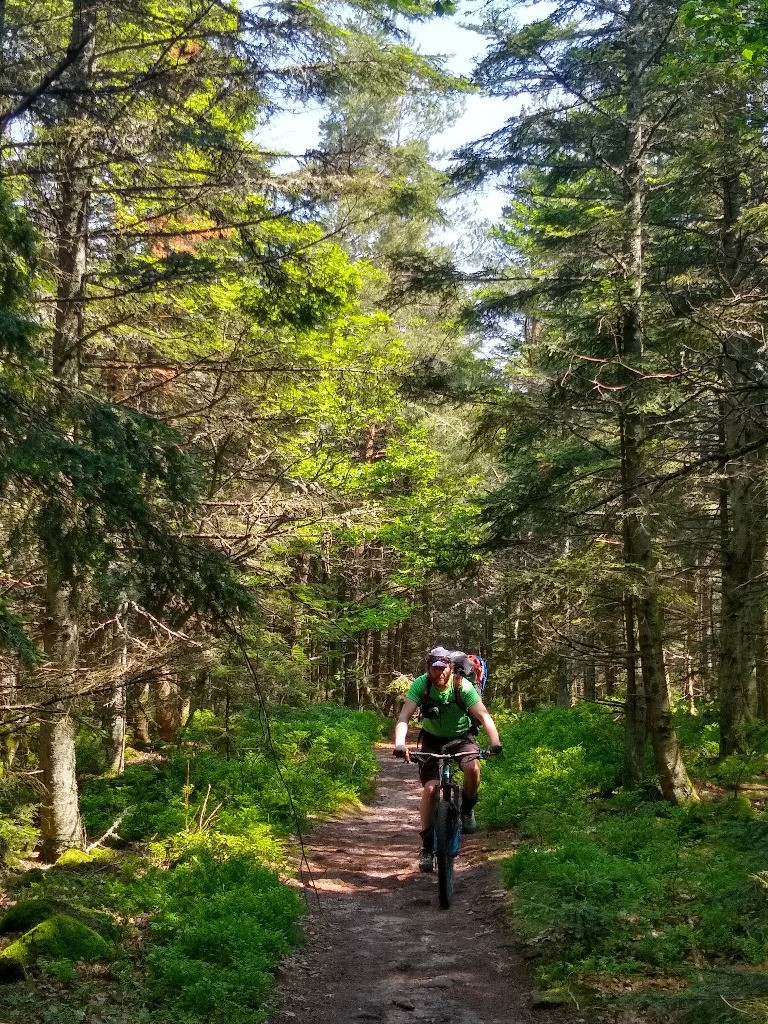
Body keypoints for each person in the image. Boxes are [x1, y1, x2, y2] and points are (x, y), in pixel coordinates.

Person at [393, 646, 503, 873]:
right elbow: (404, 716)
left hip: (462, 738)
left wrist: (495, 742)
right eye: (435, 668)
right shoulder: (421, 685)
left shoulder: (462, 686)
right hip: (432, 740)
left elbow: (483, 715)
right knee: (431, 790)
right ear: (428, 668)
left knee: (472, 768)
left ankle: (467, 809)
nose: (440, 673)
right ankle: (426, 847)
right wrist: (400, 744)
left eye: (444, 668)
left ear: (450, 668)